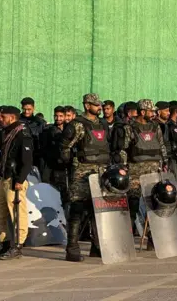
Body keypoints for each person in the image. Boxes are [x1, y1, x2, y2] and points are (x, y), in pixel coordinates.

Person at [60, 94, 111, 262]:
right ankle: (72, 248)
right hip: (82, 171)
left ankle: (97, 246)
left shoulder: (102, 124)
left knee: (98, 210)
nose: (99, 108)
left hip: (101, 170)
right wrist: (72, 164)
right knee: (77, 210)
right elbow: (65, 147)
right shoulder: (77, 125)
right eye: (96, 105)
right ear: (87, 105)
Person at [0, 106, 33, 260]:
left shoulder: (22, 133)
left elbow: (27, 161)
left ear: (12, 117)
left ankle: (18, 246)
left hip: (15, 180)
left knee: (17, 213)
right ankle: (5, 244)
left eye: (3, 117)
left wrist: (20, 180)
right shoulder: (6, 132)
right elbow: (7, 154)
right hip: (4, 177)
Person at [117, 99, 167, 230]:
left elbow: (161, 145)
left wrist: (165, 162)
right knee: (133, 202)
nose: (153, 114)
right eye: (151, 111)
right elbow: (123, 149)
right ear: (143, 112)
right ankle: (128, 233)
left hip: (154, 168)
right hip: (135, 169)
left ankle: (152, 236)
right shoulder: (129, 127)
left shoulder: (156, 127)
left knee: (154, 202)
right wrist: (124, 166)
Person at [40, 106, 69, 208]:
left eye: (61, 116)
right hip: (52, 166)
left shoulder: (69, 130)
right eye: (56, 116)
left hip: (65, 167)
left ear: (65, 117)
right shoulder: (49, 130)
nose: (58, 118)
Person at [20, 97, 45, 169]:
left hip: (35, 155)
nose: (26, 112)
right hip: (20, 155)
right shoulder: (17, 121)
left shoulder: (40, 122)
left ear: (34, 108)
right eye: (24, 109)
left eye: (29, 109)